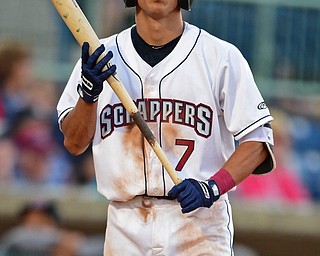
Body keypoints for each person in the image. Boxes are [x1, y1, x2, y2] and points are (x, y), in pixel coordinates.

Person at [57, 0, 275, 255]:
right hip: (126, 225)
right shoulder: (100, 55)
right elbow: (74, 143)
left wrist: (212, 186)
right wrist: (88, 95)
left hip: (199, 224)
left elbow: (258, 143)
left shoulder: (219, 56)